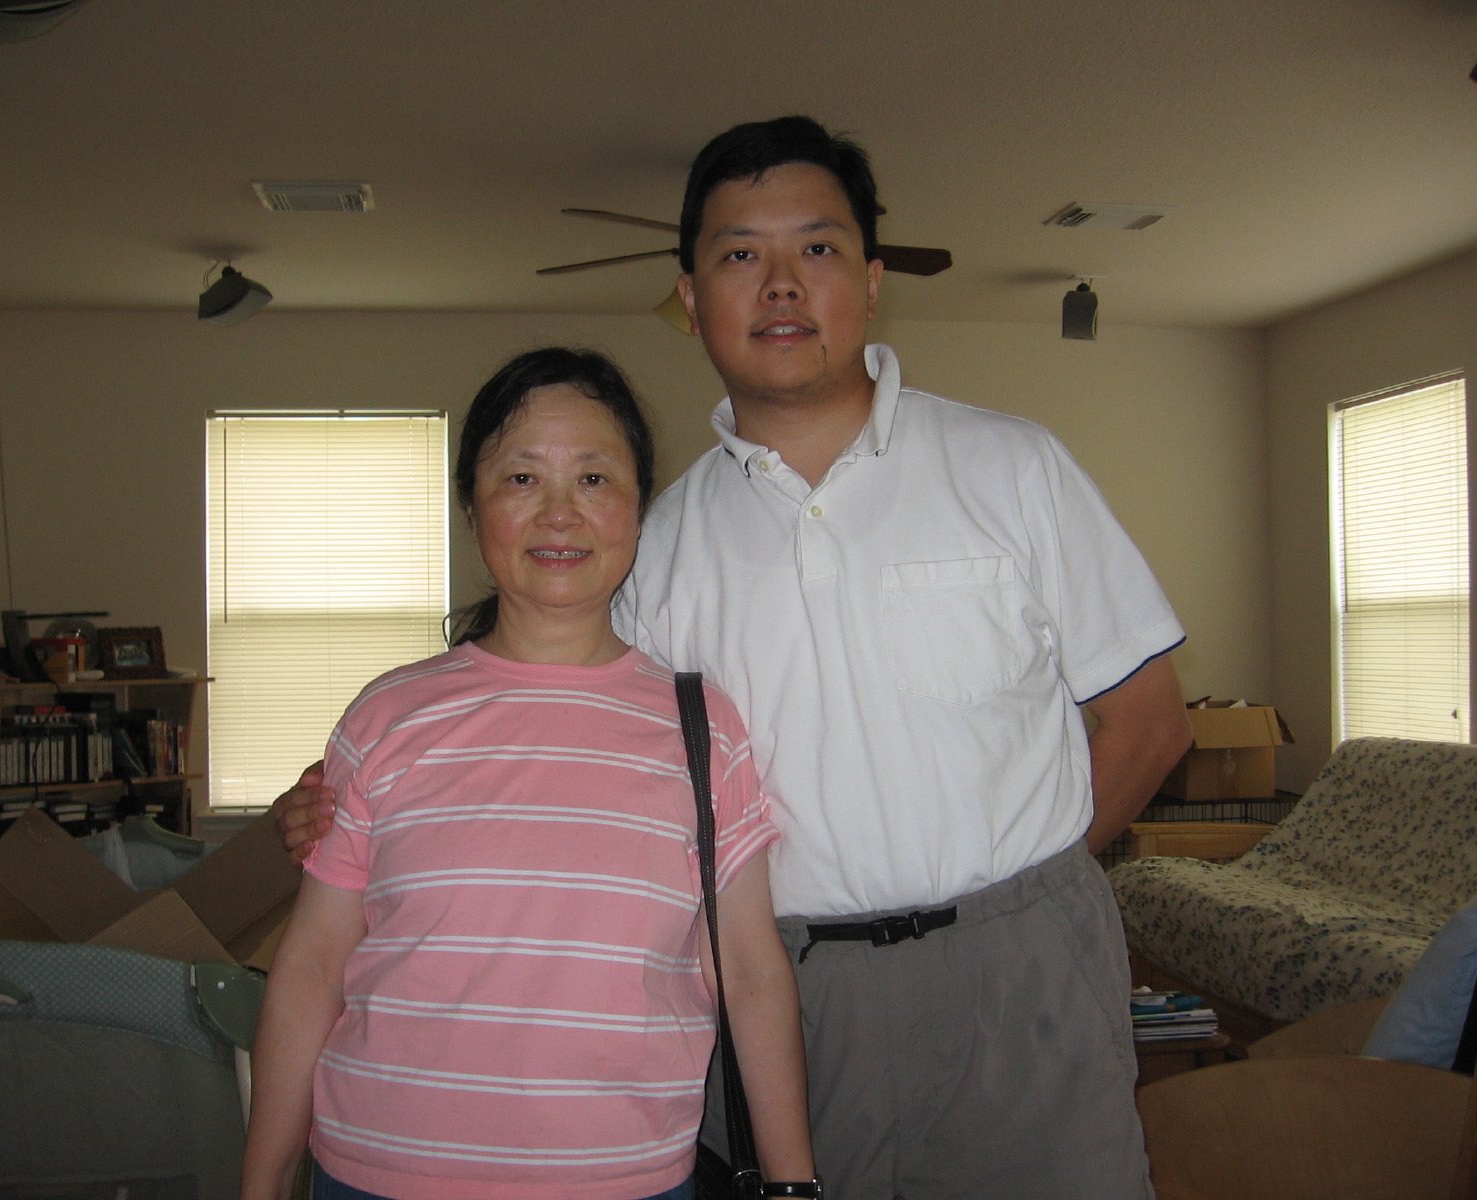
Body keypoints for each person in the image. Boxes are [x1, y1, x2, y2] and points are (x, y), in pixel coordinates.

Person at [277, 118, 1194, 1199]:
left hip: (1023, 983)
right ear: (690, 296)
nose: (781, 285)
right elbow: (552, 736)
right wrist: (340, 805)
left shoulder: (1013, 467)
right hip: (782, 995)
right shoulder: (654, 546)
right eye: (740, 254)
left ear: (872, 279)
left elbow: (1150, 722)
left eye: (818, 247)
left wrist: (1021, 911)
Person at [241, 348, 817, 1200]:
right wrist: (261, 1183)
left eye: (594, 478)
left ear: (638, 509)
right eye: (520, 478)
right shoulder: (386, 717)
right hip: (377, 1170)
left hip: (623, 1177)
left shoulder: (704, 730)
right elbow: (312, 967)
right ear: (471, 508)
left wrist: (794, 1183)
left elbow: (751, 972)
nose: (559, 513)